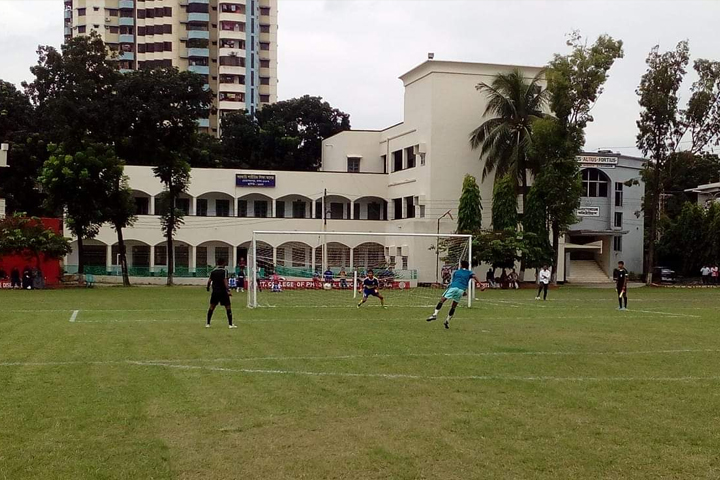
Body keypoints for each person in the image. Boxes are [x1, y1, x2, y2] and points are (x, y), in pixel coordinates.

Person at [426, 260, 476, 329]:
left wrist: (448, 286)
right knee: (454, 306)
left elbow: (454, 281)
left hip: (453, 287)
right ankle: (447, 321)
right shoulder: (469, 272)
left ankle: (435, 314)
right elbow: (474, 276)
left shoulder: (456, 272)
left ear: (461, 265)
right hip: (461, 290)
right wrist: (481, 284)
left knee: (442, 300)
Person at [205, 258, 237, 329]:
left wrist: (207, 287)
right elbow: (225, 281)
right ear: (223, 263)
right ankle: (230, 325)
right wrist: (228, 290)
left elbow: (209, 281)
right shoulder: (224, 271)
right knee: (228, 307)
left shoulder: (213, 271)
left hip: (215, 292)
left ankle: (208, 323)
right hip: (223, 292)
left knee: (212, 307)